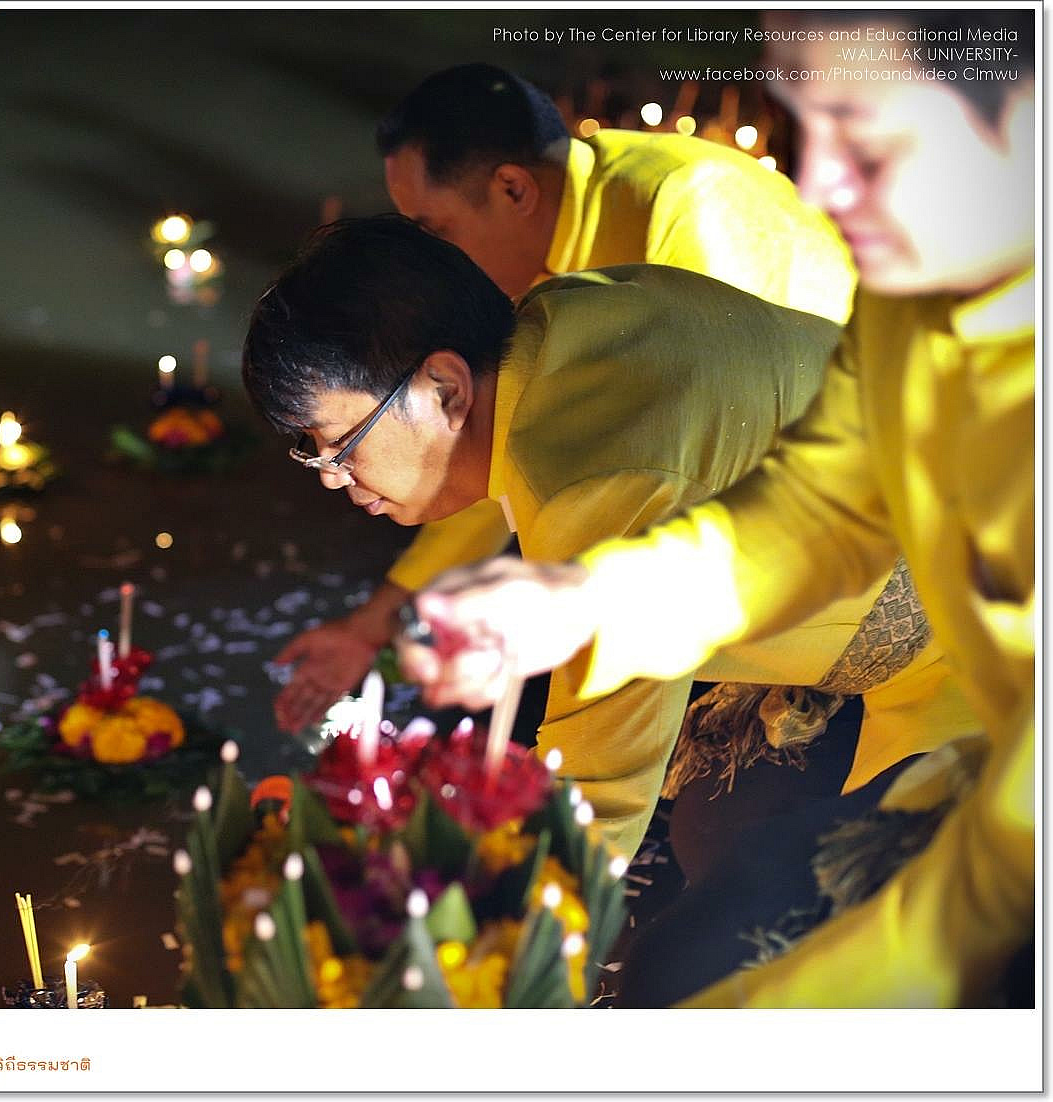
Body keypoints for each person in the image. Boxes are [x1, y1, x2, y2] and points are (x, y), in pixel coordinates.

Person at [398, 9, 1034, 1006]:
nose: (811, 189)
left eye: (865, 140)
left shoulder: (691, 222)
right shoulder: (915, 315)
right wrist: (585, 601)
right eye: (809, 133)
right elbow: (795, 514)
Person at [242, 214, 976, 855]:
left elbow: (598, 786)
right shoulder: (560, 327)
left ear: (444, 389)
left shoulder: (590, 478)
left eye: (340, 445)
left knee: (797, 901)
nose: (332, 477)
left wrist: (489, 931)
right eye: (315, 453)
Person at [273, 62, 858, 735]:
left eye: (435, 233)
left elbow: (672, 479)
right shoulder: (530, 264)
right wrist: (371, 626)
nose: (431, 265)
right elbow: (482, 455)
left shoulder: (688, 212)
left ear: (512, 188)